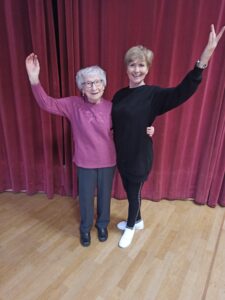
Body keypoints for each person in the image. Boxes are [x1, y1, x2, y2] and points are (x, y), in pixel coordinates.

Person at [112, 24, 225, 248]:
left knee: (133, 192)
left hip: (139, 154)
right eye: (132, 65)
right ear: (126, 68)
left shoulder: (153, 95)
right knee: (129, 187)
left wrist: (205, 58)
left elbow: (182, 91)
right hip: (122, 153)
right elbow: (115, 121)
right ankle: (140, 220)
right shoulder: (120, 94)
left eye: (141, 65)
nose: (136, 69)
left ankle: (131, 227)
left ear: (148, 68)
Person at [25, 54, 155, 247]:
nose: (93, 87)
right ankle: (85, 228)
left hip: (108, 161)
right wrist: (34, 79)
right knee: (85, 198)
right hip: (85, 162)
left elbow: (132, 124)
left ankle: (102, 225)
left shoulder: (113, 107)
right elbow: (46, 103)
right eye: (88, 84)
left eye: (97, 82)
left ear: (103, 85)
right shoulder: (72, 105)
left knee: (104, 197)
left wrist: (148, 129)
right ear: (82, 88)